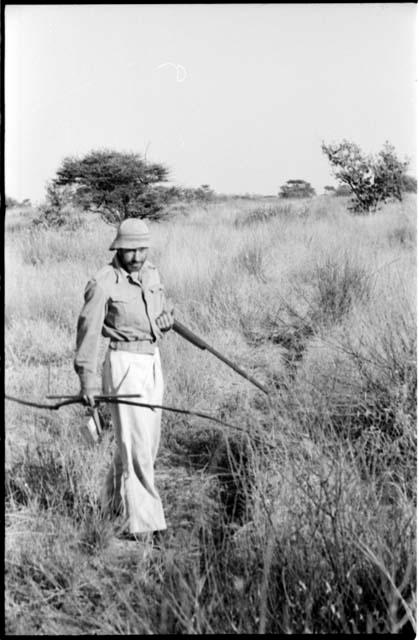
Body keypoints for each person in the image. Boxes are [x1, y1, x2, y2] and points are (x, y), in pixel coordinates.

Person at [74, 218, 174, 541]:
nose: (138, 256)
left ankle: (111, 504)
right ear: (118, 247)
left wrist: (165, 321)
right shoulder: (103, 282)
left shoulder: (152, 274)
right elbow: (88, 334)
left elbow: (154, 318)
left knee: (142, 443)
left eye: (142, 248)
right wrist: (87, 381)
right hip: (124, 365)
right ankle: (148, 525)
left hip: (152, 362)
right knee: (138, 447)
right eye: (131, 249)